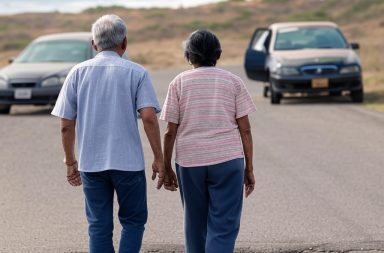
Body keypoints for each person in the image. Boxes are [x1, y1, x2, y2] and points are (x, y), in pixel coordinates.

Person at [52, 14, 166, 253]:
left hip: (91, 164)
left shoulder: (77, 72)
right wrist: (159, 158)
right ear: (124, 42)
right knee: (133, 222)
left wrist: (70, 161)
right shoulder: (137, 72)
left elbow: (66, 123)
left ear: (93, 44)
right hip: (129, 163)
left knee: (98, 225)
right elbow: (148, 117)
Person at [160, 30, 256, 253]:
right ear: (218, 54)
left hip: (189, 162)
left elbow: (169, 131)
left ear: (188, 56)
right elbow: (246, 130)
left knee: (194, 223)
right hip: (228, 161)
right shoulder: (233, 81)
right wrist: (248, 168)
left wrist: (166, 166)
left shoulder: (178, 83)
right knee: (223, 225)